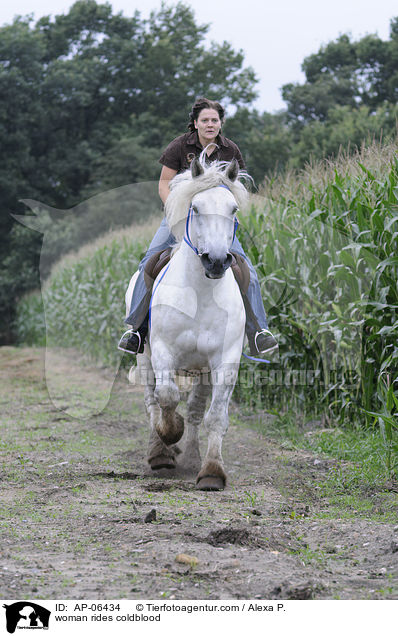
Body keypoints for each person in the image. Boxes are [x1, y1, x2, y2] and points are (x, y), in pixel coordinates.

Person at [118, 97, 278, 357]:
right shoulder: (180, 146)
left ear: (220, 123)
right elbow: (163, 185)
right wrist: (177, 212)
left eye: (215, 120)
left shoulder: (231, 150)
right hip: (180, 217)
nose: (210, 124)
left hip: (218, 222)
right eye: (205, 120)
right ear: (195, 123)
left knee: (247, 270)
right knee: (148, 262)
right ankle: (136, 330)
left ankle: (258, 332)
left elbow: (237, 188)